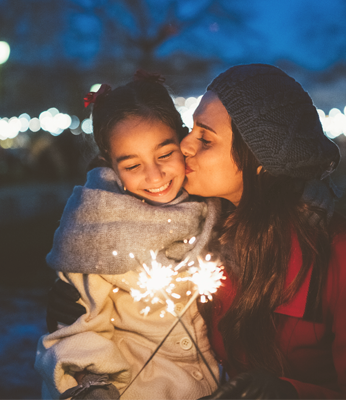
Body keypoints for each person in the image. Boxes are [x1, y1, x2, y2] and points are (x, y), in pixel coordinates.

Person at [47, 64, 346, 399]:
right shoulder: (211, 234)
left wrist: (291, 394)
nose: (183, 144)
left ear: (259, 163)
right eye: (191, 129)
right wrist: (80, 312)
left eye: (205, 139)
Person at [35, 71, 221, 400]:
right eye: (133, 165)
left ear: (182, 140)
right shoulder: (95, 230)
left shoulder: (213, 203)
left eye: (164, 155)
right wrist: (92, 386)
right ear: (110, 164)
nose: (155, 175)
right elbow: (78, 330)